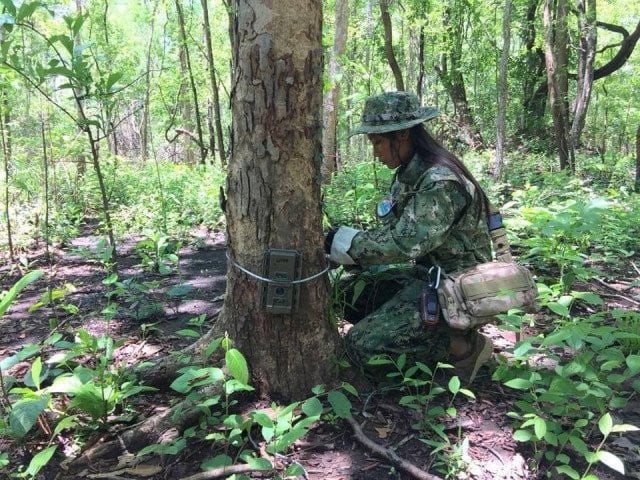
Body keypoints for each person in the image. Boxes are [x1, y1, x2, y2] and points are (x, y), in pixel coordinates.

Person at [325, 91, 494, 384]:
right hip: (429, 277)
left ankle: (461, 346)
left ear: (402, 135)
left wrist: (347, 244)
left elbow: (404, 243)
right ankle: (432, 332)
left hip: (459, 289)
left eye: (378, 142)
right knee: (347, 295)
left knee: (361, 346)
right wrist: (352, 255)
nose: (376, 152)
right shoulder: (409, 174)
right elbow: (391, 231)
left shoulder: (439, 181)